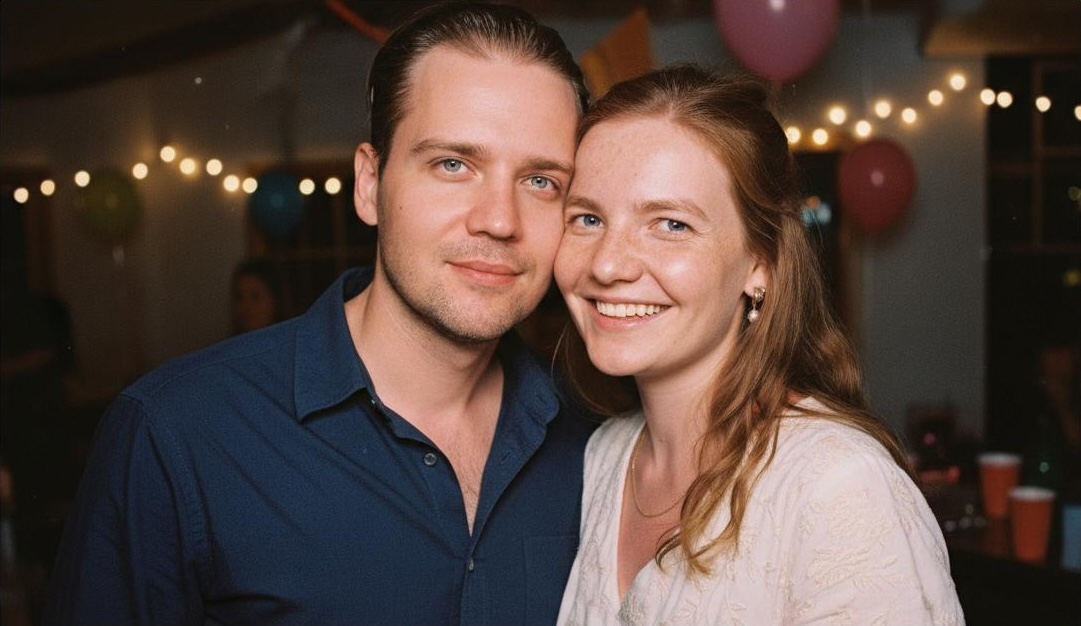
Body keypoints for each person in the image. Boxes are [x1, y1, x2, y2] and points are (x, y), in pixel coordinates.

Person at [43, 3, 594, 624]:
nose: (499, 220)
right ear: (369, 183)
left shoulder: (596, 438)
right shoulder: (177, 435)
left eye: (542, 181)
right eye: (453, 164)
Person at [554, 65, 964, 625]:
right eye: (587, 218)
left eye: (670, 224)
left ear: (760, 264)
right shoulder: (602, 458)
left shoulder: (838, 487)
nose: (606, 264)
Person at [229, 258, 286, 334]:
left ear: (275, 299)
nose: (246, 305)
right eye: (239, 297)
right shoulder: (230, 344)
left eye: (255, 296)